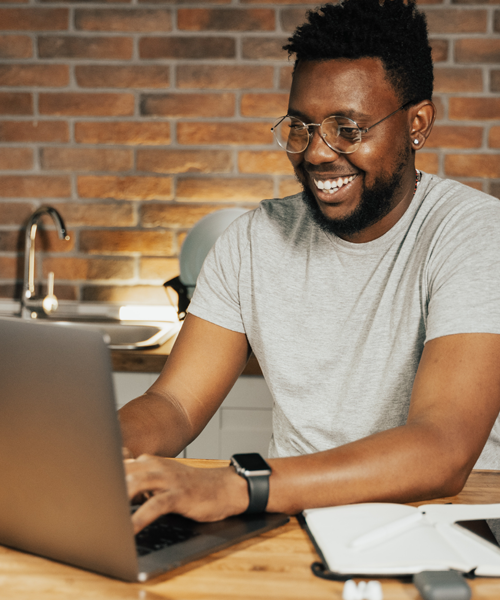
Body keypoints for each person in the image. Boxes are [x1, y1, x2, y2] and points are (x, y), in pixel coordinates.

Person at [120, 0, 500, 534]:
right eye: (302, 127)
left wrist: (239, 485)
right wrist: (101, 450)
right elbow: (175, 403)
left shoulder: (474, 234)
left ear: (417, 124)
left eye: (347, 128)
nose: (317, 154)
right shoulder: (254, 240)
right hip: (288, 522)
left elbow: (443, 449)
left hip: (437, 534)